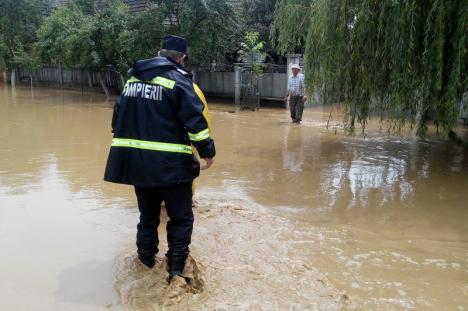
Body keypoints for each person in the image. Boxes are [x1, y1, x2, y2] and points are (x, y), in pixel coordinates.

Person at [103, 35, 216, 280]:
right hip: (172, 167)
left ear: (159, 52)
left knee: (148, 217)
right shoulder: (179, 80)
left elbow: (117, 119)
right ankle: (175, 268)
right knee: (181, 217)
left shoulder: (132, 79)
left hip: (138, 166)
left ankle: (144, 261)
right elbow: (196, 122)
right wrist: (207, 151)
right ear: (182, 58)